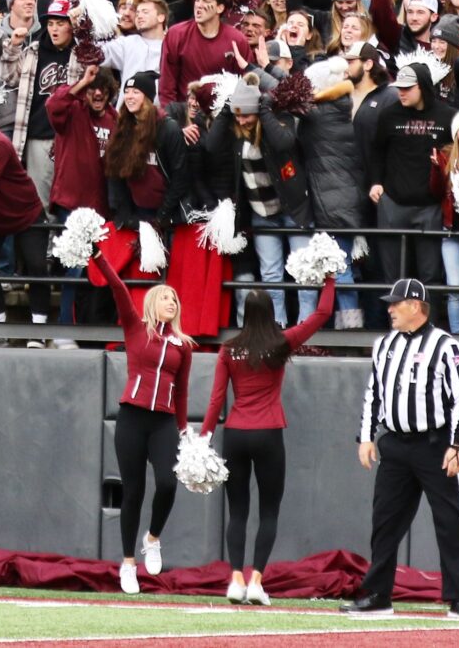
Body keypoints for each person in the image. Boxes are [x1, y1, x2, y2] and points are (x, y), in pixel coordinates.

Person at [199, 279, 338, 605]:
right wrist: (330, 278)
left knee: (237, 512)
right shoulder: (281, 343)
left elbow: (216, 399)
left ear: (244, 313)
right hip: (269, 433)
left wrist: (203, 439)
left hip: (235, 434)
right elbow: (321, 313)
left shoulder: (228, 349)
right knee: (269, 511)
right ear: (270, 313)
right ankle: (256, 582)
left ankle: (236, 579)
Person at [349, 277, 459, 621]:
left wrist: (458, 443)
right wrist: (366, 437)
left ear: (416, 306)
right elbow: (374, 394)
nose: (390, 309)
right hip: (395, 443)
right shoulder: (384, 345)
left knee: (451, 520)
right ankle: (378, 594)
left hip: (434, 444)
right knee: (384, 520)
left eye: (396, 303)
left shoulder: (445, 346)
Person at [82, 250, 193, 592]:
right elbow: (117, 287)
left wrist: (184, 430)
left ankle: (153, 538)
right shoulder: (135, 329)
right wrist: (100, 256)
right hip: (131, 418)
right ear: (152, 304)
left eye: (174, 299)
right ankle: (128, 563)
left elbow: (182, 391)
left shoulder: (183, 345)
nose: (171, 302)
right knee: (134, 491)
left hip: (163, 423)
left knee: (168, 484)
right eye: (165, 298)